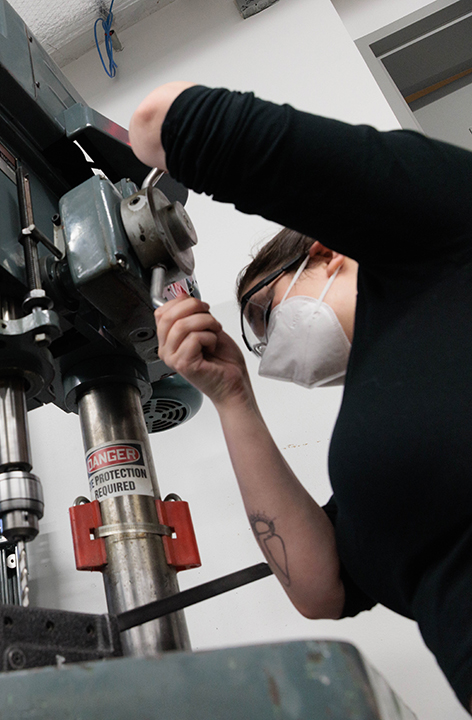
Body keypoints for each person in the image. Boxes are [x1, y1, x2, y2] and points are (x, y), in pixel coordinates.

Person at [129, 82, 472, 708]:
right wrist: (232, 397)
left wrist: (138, 184)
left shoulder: (440, 226)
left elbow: (162, 120)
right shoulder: (379, 430)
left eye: (267, 314)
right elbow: (321, 588)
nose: (275, 351)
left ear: (324, 251)